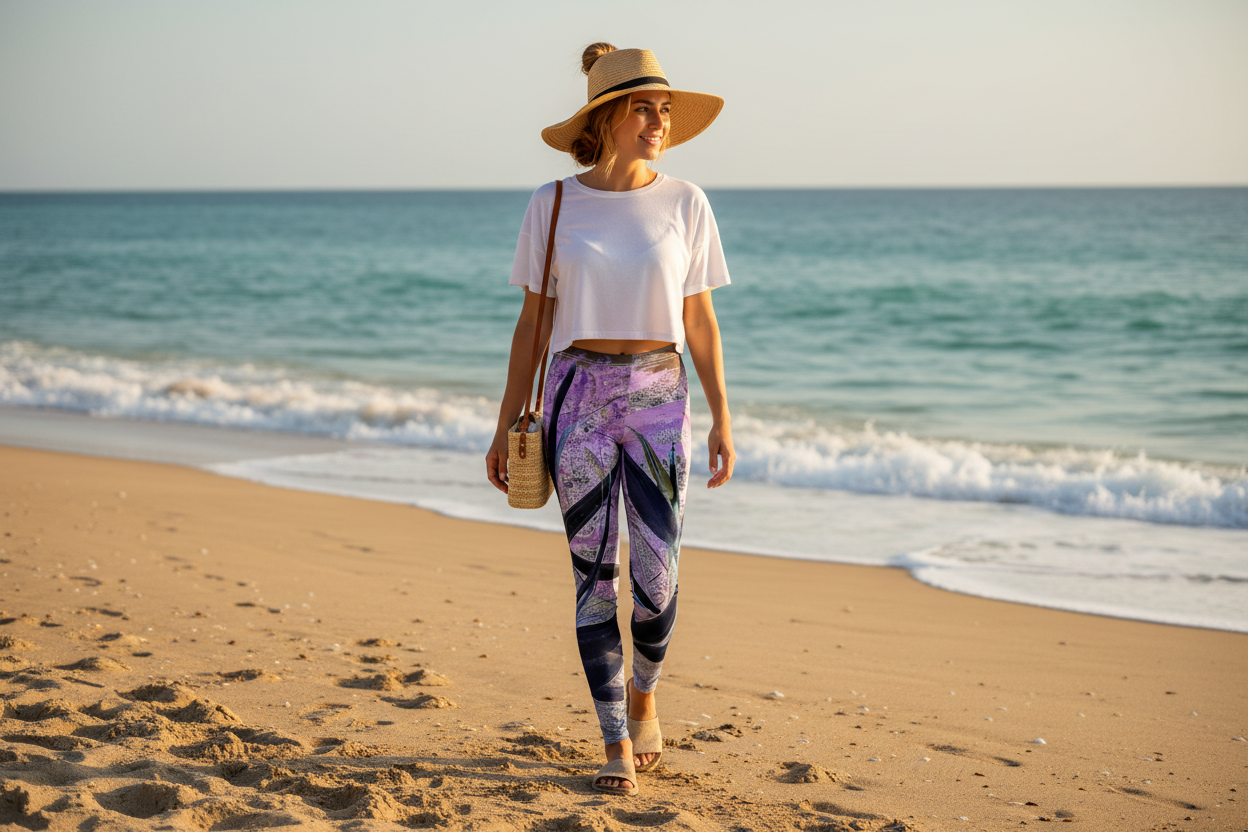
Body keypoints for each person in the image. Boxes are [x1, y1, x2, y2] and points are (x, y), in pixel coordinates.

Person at [485, 42, 735, 797]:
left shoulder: (687, 202)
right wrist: (504, 426)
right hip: (576, 393)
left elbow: (700, 321)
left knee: (657, 582)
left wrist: (724, 415)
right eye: (644, 108)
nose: (659, 121)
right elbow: (533, 325)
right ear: (608, 116)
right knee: (594, 576)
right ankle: (614, 741)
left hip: (661, 392)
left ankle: (646, 690)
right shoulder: (552, 203)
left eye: (664, 110)